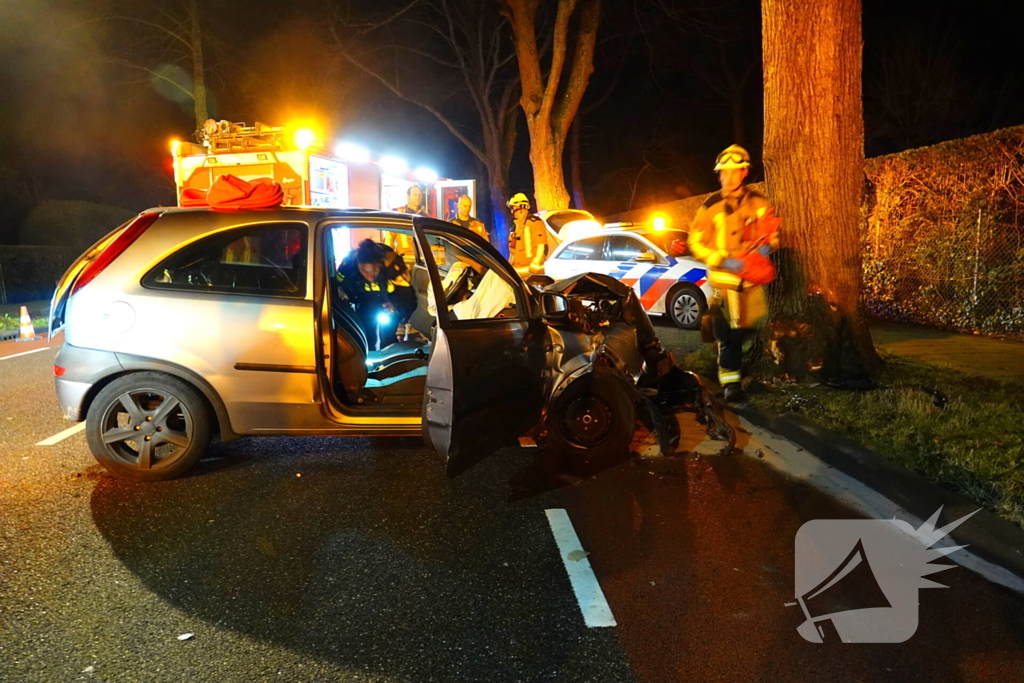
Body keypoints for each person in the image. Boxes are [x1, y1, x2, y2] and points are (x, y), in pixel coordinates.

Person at [688, 144, 780, 402]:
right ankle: (731, 385)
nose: (728, 177)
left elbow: (772, 233)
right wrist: (721, 260)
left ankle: (744, 371)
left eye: (734, 172)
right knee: (730, 335)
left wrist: (767, 246)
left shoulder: (759, 202)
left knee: (750, 330)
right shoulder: (711, 206)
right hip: (725, 284)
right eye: (723, 173)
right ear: (719, 175)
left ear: (744, 172)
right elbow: (695, 243)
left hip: (752, 282)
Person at [336, 239, 416, 350]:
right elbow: (336, 283)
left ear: (379, 264)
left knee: (388, 334)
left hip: (388, 300)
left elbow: (408, 297)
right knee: (365, 333)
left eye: (373, 271)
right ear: (358, 265)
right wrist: (343, 294)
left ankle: (388, 358)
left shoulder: (393, 267)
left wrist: (396, 307)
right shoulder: (349, 265)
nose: (369, 276)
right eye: (364, 271)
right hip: (363, 299)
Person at [506, 193, 549, 276]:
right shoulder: (515, 228)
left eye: (513, 207)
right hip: (518, 275)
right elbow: (513, 253)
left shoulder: (535, 223)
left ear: (521, 207)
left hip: (533, 275)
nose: (512, 211)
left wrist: (534, 268)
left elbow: (542, 247)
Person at [384, 185, 427, 257]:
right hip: (404, 257)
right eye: (415, 194)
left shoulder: (426, 216)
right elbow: (389, 237)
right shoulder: (398, 213)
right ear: (408, 196)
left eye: (420, 195)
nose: (418, 197)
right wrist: (388, 256)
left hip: (423, 259)